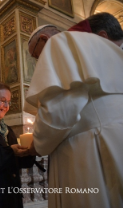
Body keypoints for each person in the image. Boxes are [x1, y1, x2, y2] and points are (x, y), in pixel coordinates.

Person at [26, 25, 123, 208]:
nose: (38, 60)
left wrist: (37, 145)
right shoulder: (103, 44)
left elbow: (61, 109)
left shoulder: (57, 43)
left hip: (92, 145)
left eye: (35, 55)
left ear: (45, 39)